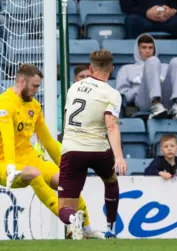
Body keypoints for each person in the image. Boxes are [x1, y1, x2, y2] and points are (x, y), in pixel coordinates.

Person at [0, 64, 104, 239]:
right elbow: (8, 138)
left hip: (30, 157)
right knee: (33, 174)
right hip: (3, 164)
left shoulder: (34, 106)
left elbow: (47, 140)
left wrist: (66, 164)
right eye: (34, 86)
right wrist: (11, 167)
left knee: (65, 180)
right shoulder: (3, 104)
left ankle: (86, 230)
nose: (37, 90)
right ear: (21, 82)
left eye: (38, 86)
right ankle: (71, 218)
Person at [58, 50, 127, 240]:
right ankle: (111, 230)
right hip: (98, 149)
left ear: (90, 68)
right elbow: (111, 126)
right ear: (111, 69)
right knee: (111, 181)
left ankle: (74, 218)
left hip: (72, 149)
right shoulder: (112, 94)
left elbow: (66, 118)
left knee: (64, 207)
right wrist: (119, 157)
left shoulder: (74, 87)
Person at [117, 34, 177, 119]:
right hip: (144, 100)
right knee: (152, 61)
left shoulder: (165, 67)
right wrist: (139, 89)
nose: (147, 51)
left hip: (166, 99)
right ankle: (156, 105)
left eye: (150, 48)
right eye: (144, 47)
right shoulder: (126, 69)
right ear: (137, 49)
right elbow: (122, 95)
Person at [58, 64, 92, 133]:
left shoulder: (98, 92)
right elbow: (59, 120)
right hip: (71, 134)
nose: (85, 79)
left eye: (88, 76)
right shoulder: (67, 92)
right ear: (75, 79)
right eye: (82, 77)